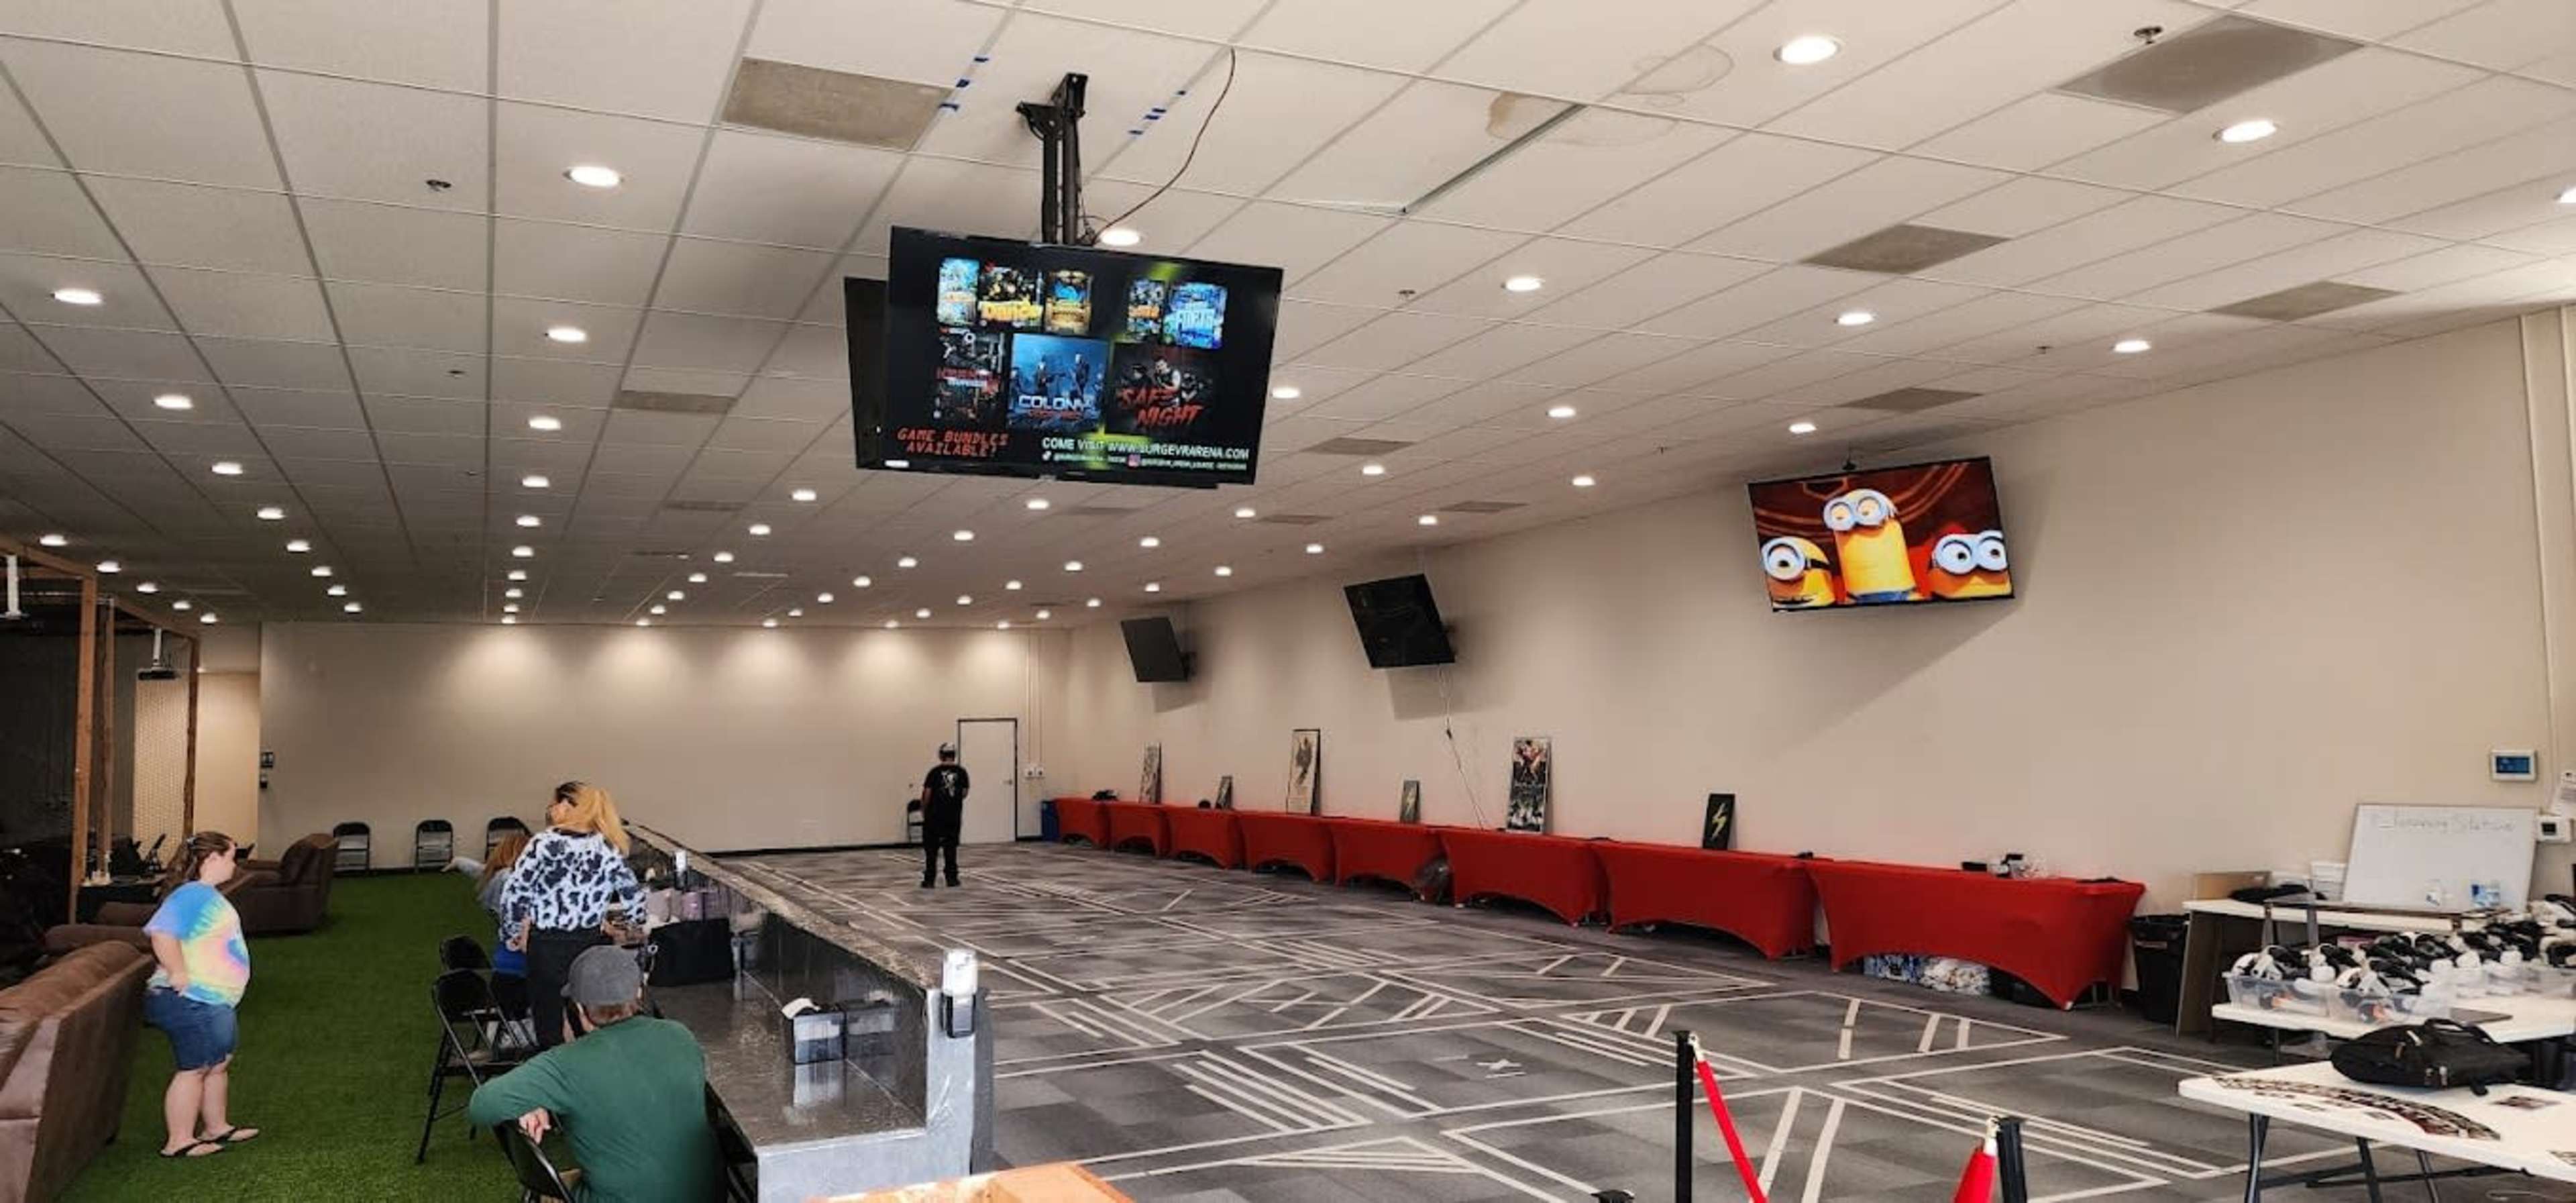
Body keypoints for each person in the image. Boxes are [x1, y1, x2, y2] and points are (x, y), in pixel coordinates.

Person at [467, 945, 718, 1203]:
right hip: (706, 1196)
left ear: (578, 1007)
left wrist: (530, 1101)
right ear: (639, 993)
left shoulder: (565, 1063)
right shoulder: (681, 1036)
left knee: (550, 1192)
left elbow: (481, 1105)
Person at [142, 831, 259, 1159]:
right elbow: (162, 934)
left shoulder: (205, 895)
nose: (234, 866)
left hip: (214, 999)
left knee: (219, 1062)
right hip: (191, 999)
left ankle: (216, 1127)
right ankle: (178, 1141)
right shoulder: (191, 895)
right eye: (232, 858)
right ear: (212, 859)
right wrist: (178, 972)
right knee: (195, 1067)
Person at [502, 782, 643, 1049]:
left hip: (546, 946)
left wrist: (513, 935)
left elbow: (515, 893)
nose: (551, 809)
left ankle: (556, 1079)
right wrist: (635, 922)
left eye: (555, 803)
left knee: (549, 1020)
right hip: (588, 944)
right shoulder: (606, 845)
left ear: (570, 806)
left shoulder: (543, 844)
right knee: (587, 1016)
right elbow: (632, 894)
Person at [918, 743, 969, 888]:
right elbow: (965, 793)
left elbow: (927, 793)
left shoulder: (934, 772)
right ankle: (952, 879)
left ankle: (929, 880)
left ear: (941, 755)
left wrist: (924, 809)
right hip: (953, 816)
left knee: (931, 850)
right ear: (954, 755)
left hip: (934, 816)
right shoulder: (962, 772)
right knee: (951, 848)